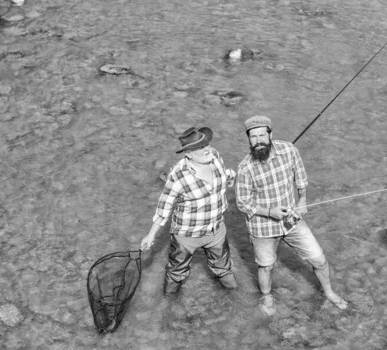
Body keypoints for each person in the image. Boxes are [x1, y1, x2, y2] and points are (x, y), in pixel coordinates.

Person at [235, 115, 347, 315]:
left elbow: (301, 177)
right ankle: (267, 296)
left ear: (271, 135)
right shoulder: (245, 168)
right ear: (248, 139)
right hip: (263, 227)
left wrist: (302, 200)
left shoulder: (288, 150)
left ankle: (329, 292)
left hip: (292, 220)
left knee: (319, 260)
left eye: (262, 135)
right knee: (266, 267)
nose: (258, 140)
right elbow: (243, 203)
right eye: (253, 137)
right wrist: (270, 212)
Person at [141, 126, 238, 295]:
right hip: (186, 236)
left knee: (224, 268)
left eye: (206, 143)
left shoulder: (214, 155)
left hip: (216, 230)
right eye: (200, 147)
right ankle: (168, 302)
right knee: (177, 272)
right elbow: (164, 207)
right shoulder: (178, 176)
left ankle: (235, 296)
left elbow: (224, 175)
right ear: (188, 153)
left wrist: (233, 176)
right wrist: (151, 235)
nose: (207, 148)